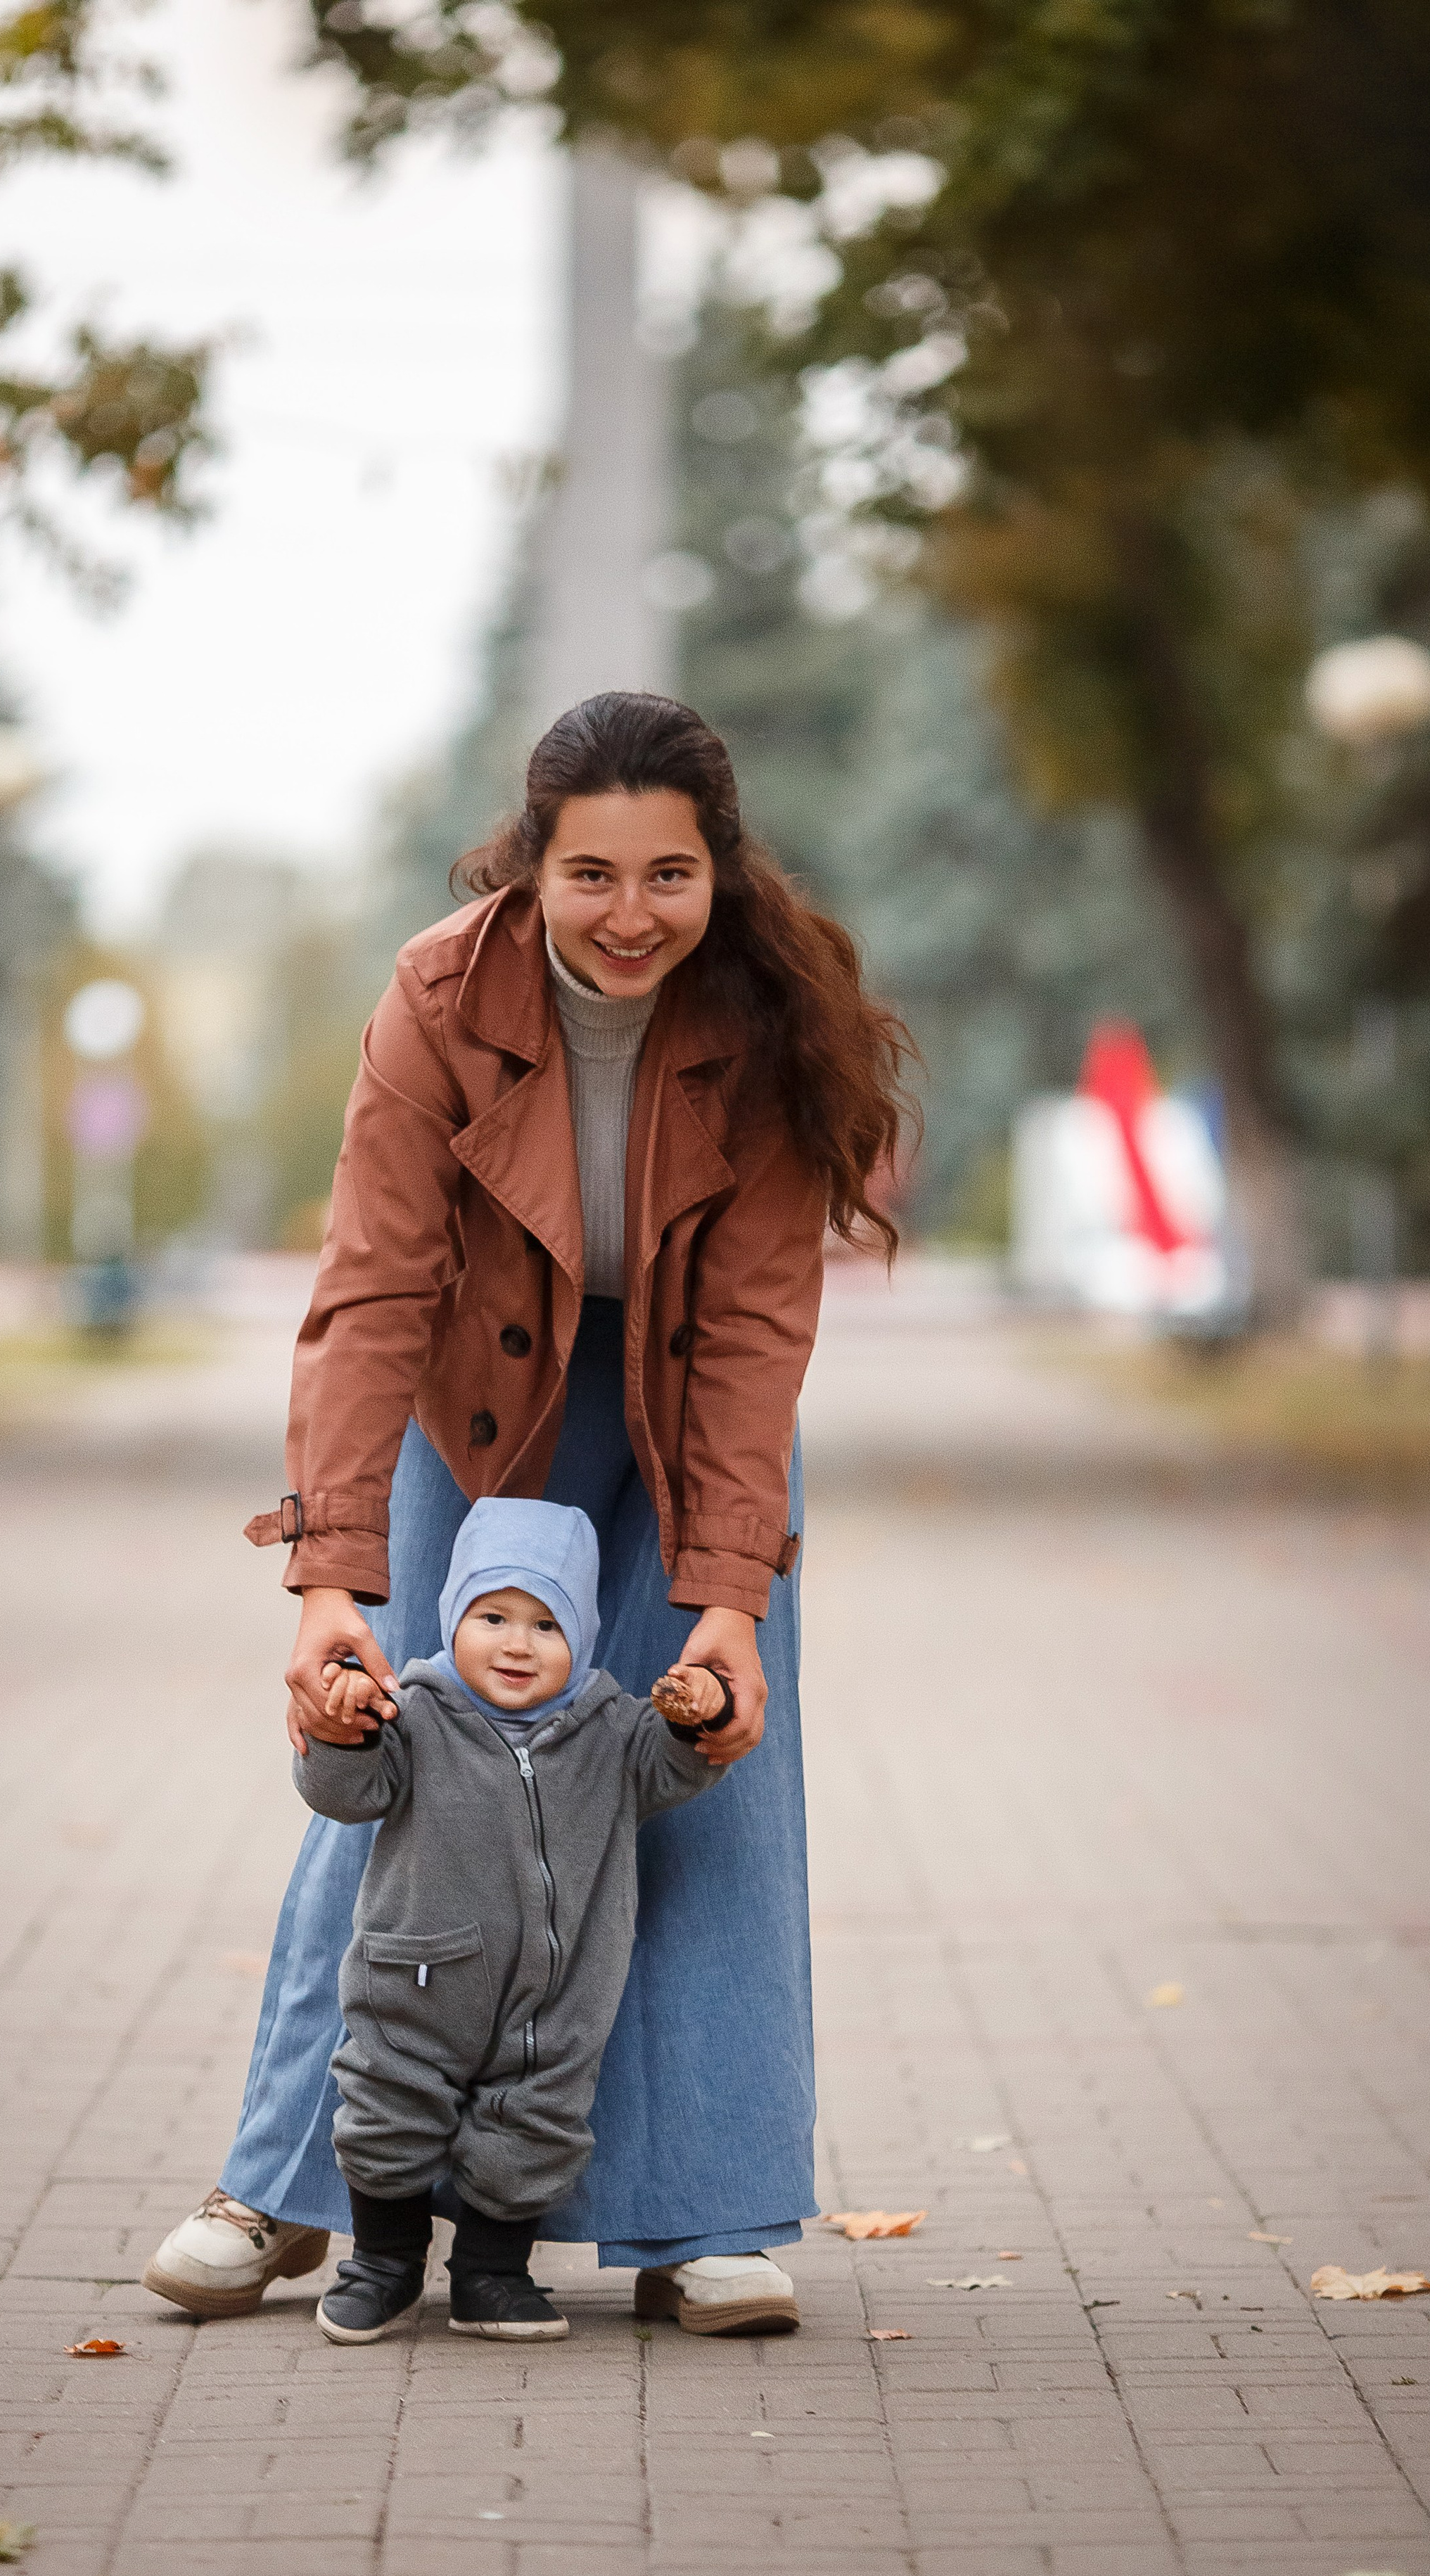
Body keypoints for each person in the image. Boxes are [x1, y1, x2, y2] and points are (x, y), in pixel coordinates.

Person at [142, 690, 912, 2338]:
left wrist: (728, 1598)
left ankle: (692, 2214)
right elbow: (368, 1289)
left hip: (687, 1414)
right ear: (531, 863)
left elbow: (760, 1323)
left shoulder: (774, 1012)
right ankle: (287, 2188)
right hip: (473, 1406)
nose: (628, 913)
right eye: (590, 874)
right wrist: (330, 1575)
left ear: (718, 871)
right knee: (404, 1763)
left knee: (698, 1762)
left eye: (666, 873)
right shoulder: (437, 992)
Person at [304, 1497, 734, 2347]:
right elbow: (345, 1796)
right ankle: (382, 2267)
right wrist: (344, 1732)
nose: (515, 1643)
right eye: (492, 1615)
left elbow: (673, 1772)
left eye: (546, 1624)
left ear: (582, 1635)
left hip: (562, 1992)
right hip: (417, 1977)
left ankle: (491, 2275)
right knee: (389, 2106)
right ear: (453, 1615)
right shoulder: (414, 1714)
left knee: (535, 2123)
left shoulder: (610, 1730)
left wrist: (697, 1717)